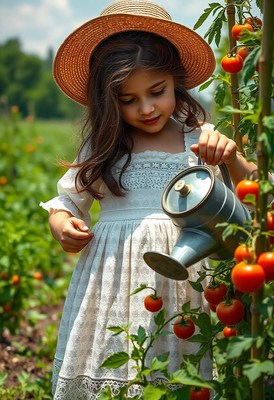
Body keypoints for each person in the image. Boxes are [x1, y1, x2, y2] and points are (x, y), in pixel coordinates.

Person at [40, 0, 259, 398]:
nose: (146, 108)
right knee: (119, 359)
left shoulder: (199, 137)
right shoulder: (104, 146)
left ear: (175, 81)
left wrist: (230, 156)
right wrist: (62, 225)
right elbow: (67, 200)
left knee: (184, 370)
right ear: (109, 101)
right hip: (112, 282)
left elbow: (256, 193)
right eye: (128, 99)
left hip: (188, 284)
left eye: (157, 92)